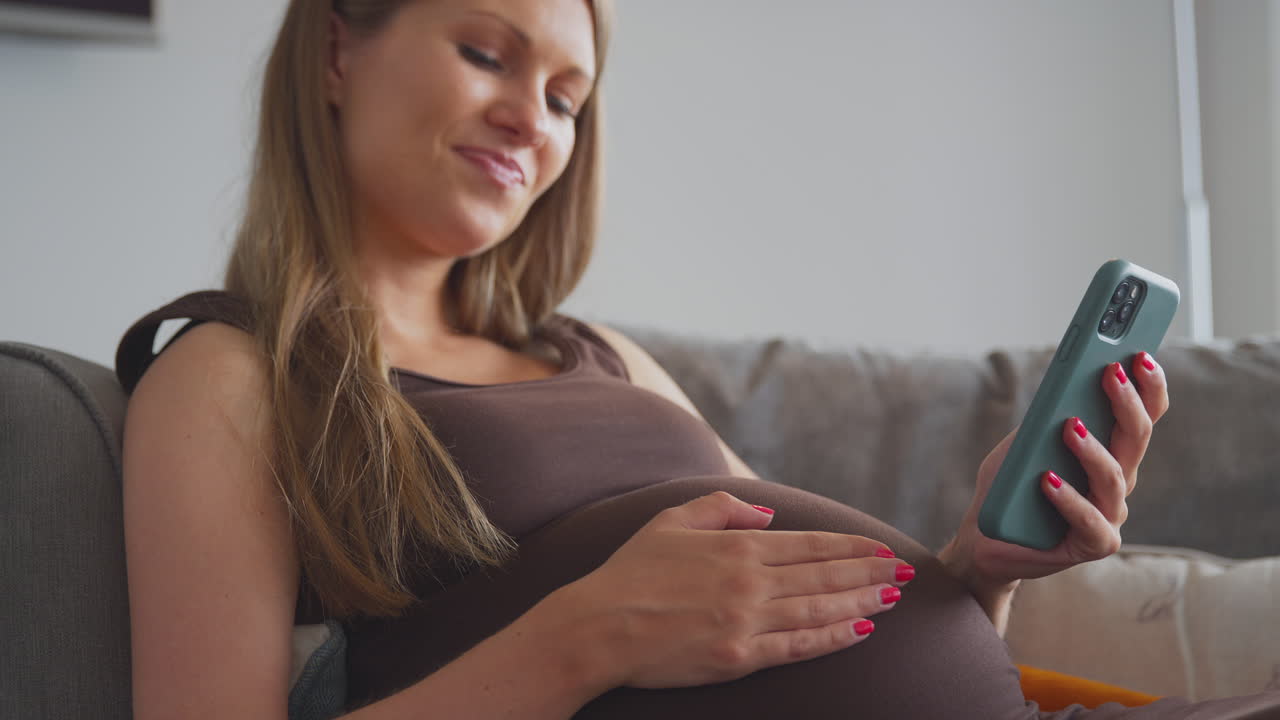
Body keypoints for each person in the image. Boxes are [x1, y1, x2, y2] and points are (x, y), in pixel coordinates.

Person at [115, 1, 1280, 718]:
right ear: (333, 49)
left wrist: (972, 573)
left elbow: (793, 621)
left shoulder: (600, 354)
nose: (533, 120)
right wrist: (587, 635)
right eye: (486, 53)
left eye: (568, 98)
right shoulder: (229, 375)